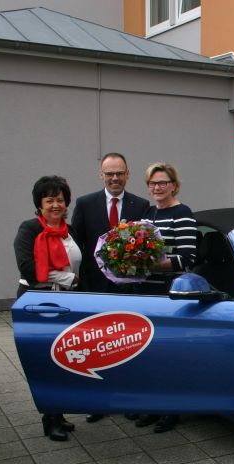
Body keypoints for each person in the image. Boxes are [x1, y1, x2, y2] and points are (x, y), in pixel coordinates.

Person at [70, 152, 149, 424]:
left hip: (129, 290)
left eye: (119, 173)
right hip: (94, 288)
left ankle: (128, 400)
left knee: (128, 345)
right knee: (96, 346)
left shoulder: (141, 205)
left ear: (128, 174)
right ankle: (98, 402)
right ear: (101, 175)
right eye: (109, 173)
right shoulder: (84, 204)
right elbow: (76, 245)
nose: (114, 178)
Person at [13, 176, 81, 441]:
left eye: (60, 200)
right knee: (45, 360)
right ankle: (49, 418)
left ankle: (59, 414)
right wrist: (65, 278)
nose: (56, 205)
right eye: (49, 200)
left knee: (65, 359)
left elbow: (79, 265)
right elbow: (27, 268)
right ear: (39, 204)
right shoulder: (29, 229)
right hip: (39, 303)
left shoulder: (69, 230)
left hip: (69, 303)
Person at [134, 161, 199, 433]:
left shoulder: (182, 213)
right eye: (152, 183)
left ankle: (171, 410)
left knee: (167, 354)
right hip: (144, 291)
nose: (157, 187)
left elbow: (187, 258)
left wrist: (153, 263)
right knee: (148, 353)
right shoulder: (148, 213)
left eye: (162, 182)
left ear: (174, 185)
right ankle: (152, 406)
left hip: (168, 294)